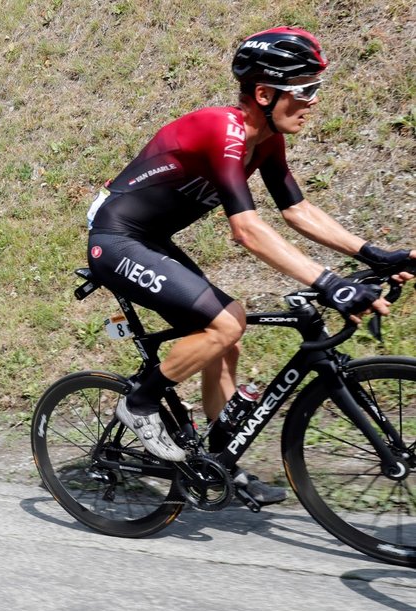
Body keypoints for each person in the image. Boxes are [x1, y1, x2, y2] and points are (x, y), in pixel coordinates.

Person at [85, 27, 415, 505]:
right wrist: (330, 283)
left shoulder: (265, 142)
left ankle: (220, 462)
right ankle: (139, 403)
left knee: (226, 340)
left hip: (150, 240)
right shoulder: (224, 131)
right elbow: (247, 230)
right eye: (305, 89)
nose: (314, 101)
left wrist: (372, 254)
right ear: (264, 93)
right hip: (115, 241)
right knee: (225, 323)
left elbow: (298, 211)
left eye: (316, 88)